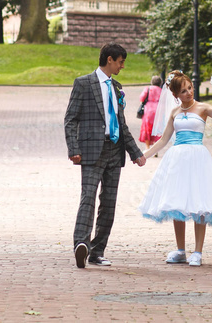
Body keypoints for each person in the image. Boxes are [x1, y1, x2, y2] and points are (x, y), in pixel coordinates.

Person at [64, 42, 146, 268]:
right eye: (120, 62)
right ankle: (81, 244)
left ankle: (97, 251)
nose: (122, 66)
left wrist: (136, 152)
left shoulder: (117, 87)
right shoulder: (83, 83)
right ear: (109, 59)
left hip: (114, 150)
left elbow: (121, 124)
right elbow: (70, 119)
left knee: (109, 204)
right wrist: (74, 149)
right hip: (90, 152)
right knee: (88, 198)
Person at [138, 70, 212, 267]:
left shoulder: (203, 108)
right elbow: (163, 140)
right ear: (175, 95)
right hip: (177, 158)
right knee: (176, 203)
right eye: (183, 91)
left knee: (199, 203)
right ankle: (180, 250)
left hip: (197, 158)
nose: (189, 93)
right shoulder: (174, 113)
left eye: (189, 88)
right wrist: (143, 155)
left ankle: (198, 251)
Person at [137, 75, 163, 150]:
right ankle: (155, 148)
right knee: (157, 129)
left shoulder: (148, 89)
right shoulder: (161, 90)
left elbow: (141, 98)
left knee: (147, 128)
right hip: (158, 111)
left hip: (148, 110)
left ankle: (147, 147)